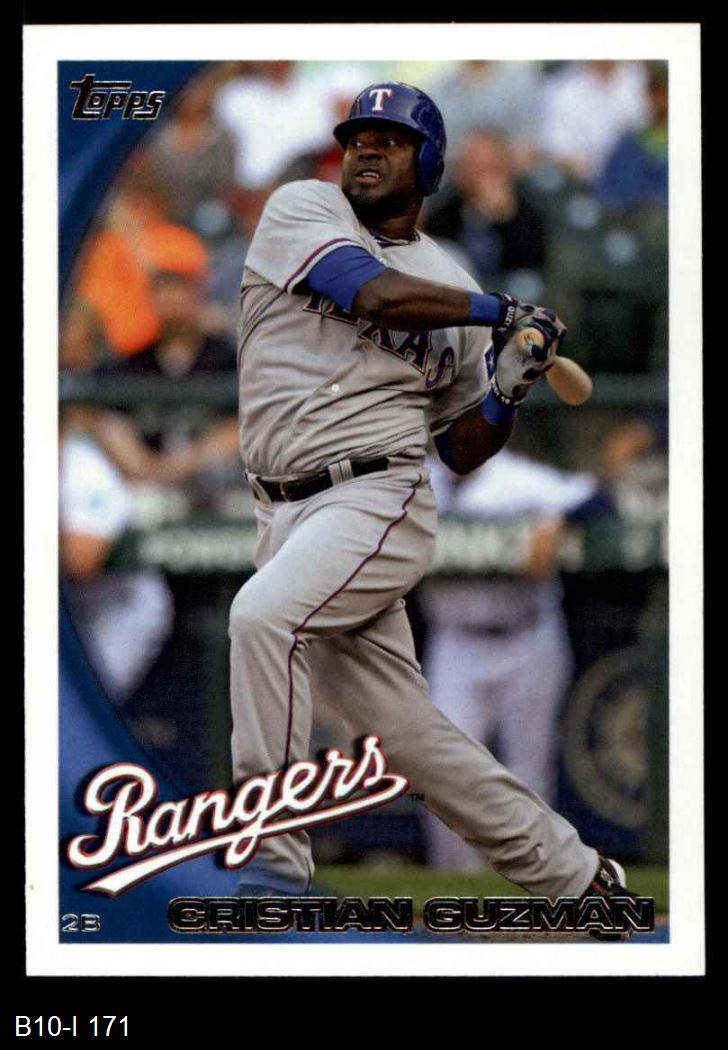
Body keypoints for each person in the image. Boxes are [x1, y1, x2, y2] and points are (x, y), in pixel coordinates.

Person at [229, 81, 632, 904]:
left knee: (262, 619)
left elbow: (459, 447)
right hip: (279, 511)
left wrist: (506, 390)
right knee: (407, 738)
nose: (366, 152)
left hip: (375, 498)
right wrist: (500, 312)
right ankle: (580, 879)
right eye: (357, 139)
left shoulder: (446, 276)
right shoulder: (304, 208)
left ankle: (270, 875)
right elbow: (372, 294)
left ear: (431, 163)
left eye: (390, 140)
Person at [419, 450, 599, 870]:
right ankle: (458, 887)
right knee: (446, 771)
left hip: (527, 634)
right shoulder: (415, 480)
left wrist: (557, 522)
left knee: (528, 774)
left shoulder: (519, 479)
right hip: (455, 641)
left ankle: (532, 882)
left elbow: (595, 497)